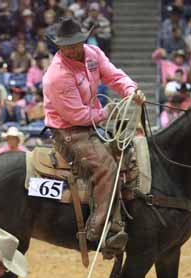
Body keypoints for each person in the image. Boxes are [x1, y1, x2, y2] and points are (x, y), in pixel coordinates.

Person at [42, 17, 145, 255]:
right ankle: (97, 230)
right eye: (68, 45)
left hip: (92, 123)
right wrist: (105, 113)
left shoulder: (93, 54)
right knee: (105, 167)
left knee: (127, 153)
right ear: (59, 46)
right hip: (68, 130)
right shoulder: (57, 75)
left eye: (77, 42)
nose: (73, 48)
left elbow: (115, 76)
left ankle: (121, 220)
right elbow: (76, 115)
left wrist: (132, 90)